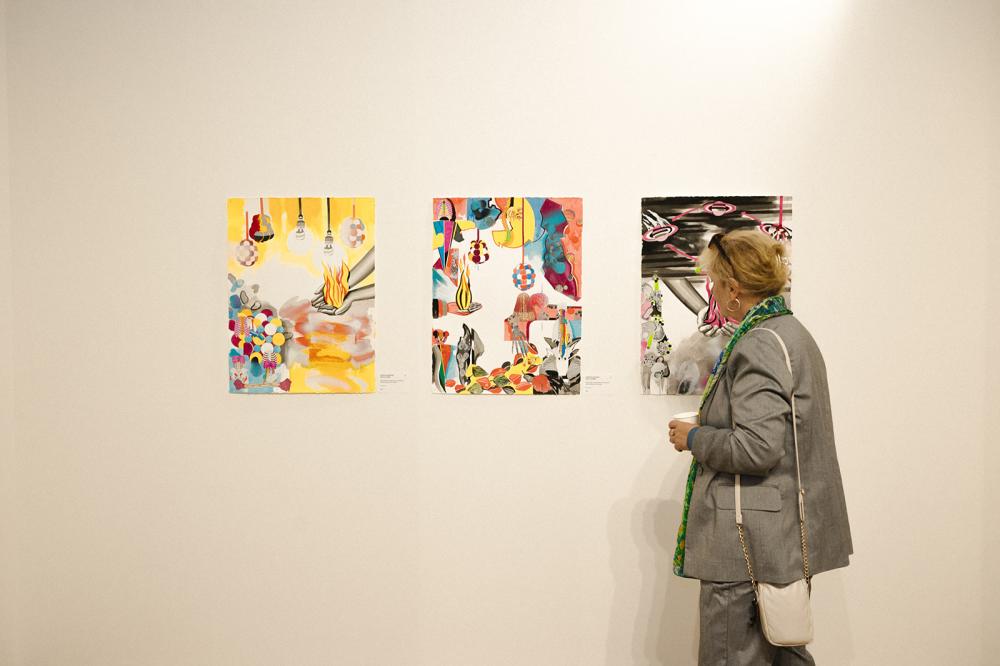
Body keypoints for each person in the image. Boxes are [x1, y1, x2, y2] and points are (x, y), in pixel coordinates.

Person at [667, 229, 852, 665]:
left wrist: (693, 437)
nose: (712, 291)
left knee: (731, 655)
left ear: (734, 289)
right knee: (782, 655)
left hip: (747, 543)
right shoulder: (790, 333)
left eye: (715, 282)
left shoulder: (761, 343)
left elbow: (757, 448)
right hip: (776, 538)